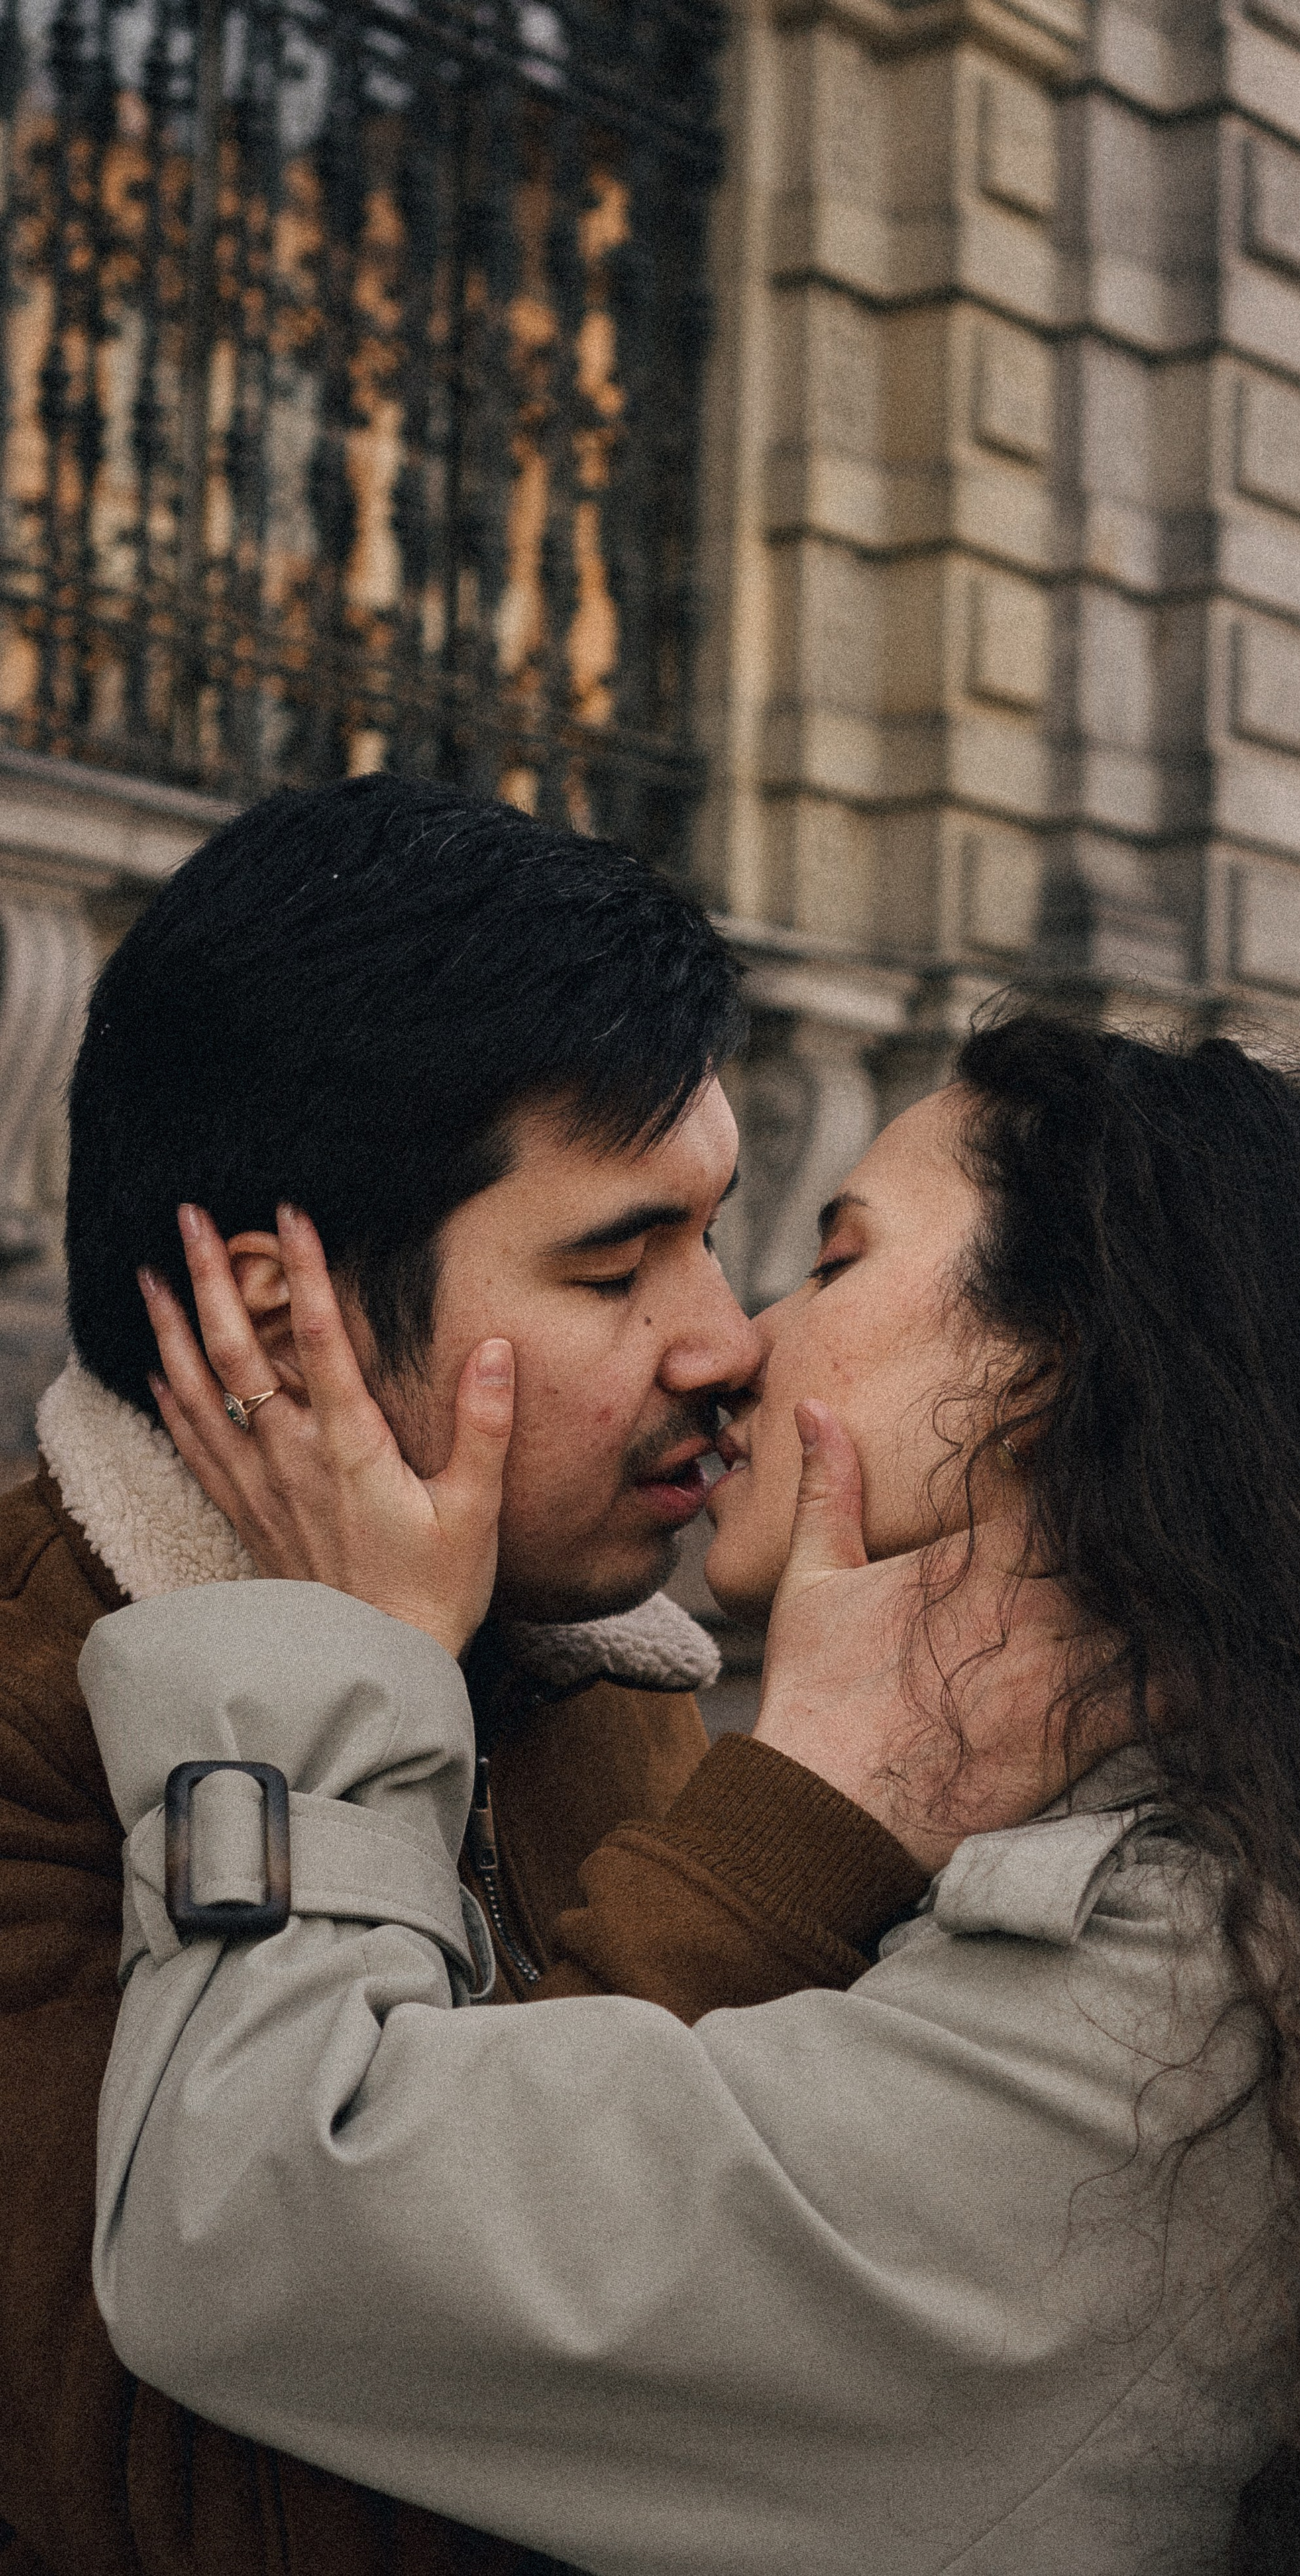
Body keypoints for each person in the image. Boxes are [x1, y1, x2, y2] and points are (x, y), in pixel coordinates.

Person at [85, 1012, 1300, 2575]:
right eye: (621, 1264)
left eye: (833, 1257)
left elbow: (248, 2222)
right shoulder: (1216, 1879)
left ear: (1048, 1372)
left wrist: (336, 1654)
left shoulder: (1149, 2029)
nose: (736, 1340)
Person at [1, 771, 1005, 2576]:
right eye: (620, 1264)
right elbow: (253, 2518)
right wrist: (776, 1846)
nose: (728, 1341)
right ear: (284, 1320)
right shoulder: (24, 1704)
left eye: (719, 1234)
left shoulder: (598, 1671)